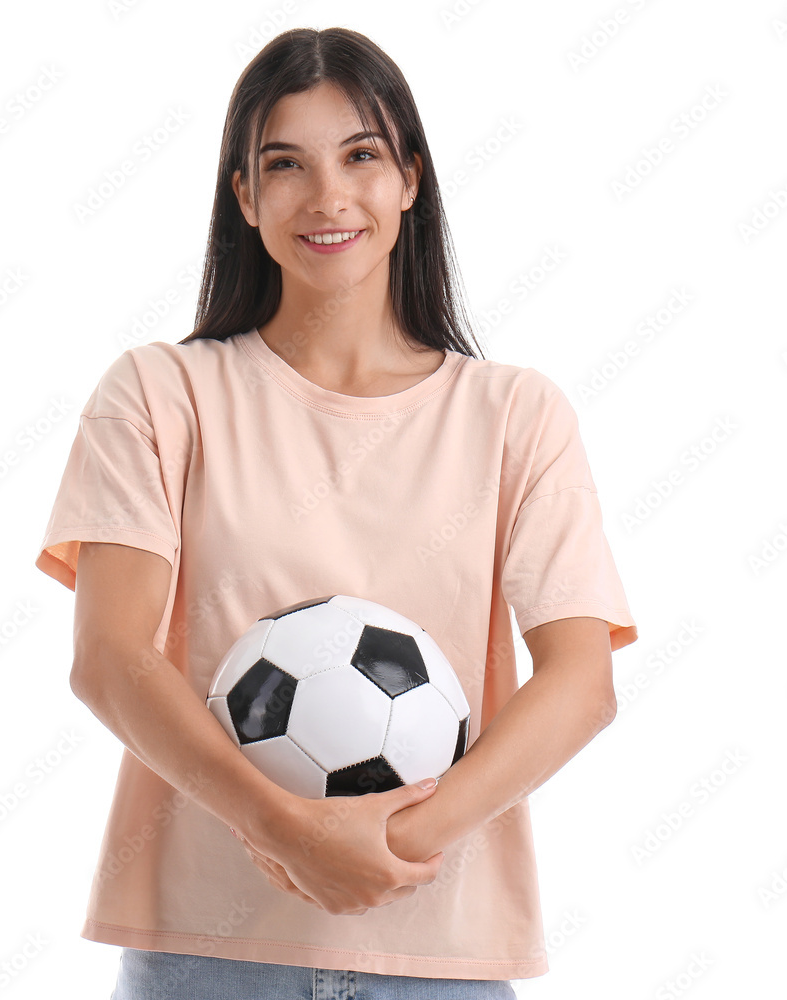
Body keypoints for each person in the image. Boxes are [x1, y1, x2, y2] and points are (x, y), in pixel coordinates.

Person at [34, 25, 638, 1000]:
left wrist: (394, 843)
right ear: (244, 196)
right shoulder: (159, 394)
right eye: (285, 165)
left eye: (360, 156)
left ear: (408, 179)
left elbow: (579, 680)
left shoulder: (515, 415)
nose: (327, 197)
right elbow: (109, 655)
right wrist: (284, 831)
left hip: (439, 956)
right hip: (207, 951)